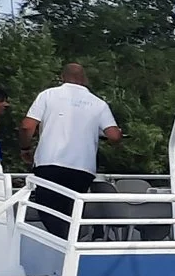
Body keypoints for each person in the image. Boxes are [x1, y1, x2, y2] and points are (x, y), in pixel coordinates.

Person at [20, 63, 120, 238]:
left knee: (46, 208)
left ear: (62, 77)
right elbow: (113, 135)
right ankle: (70, 243)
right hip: (83, 167)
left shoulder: (48, 95)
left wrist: (25, 148)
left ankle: (66, 244)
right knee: (70, 212)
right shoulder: (99, 104)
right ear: (85, 79)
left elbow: (27, 126)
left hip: (50, 162)